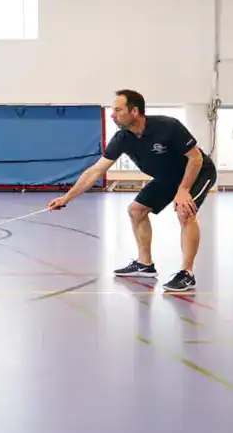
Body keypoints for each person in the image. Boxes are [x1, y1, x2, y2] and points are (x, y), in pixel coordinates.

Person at [47, 89, 216, 293]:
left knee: (185, 211)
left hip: (198, 172)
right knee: (136, 210)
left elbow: (195, 158)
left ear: (134, 111)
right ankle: (145, 264)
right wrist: (67, 198)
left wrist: (184, 189)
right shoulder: (122, 138)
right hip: (168, 177)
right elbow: (96, 171)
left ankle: (187, 273)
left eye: (118, 110)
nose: (113, 115)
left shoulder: (168, 126)